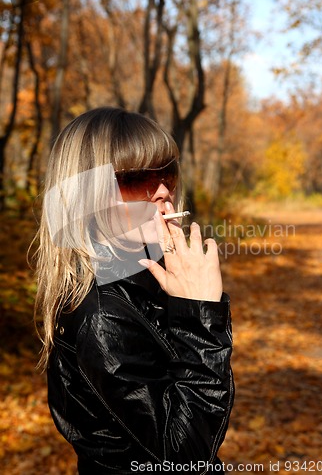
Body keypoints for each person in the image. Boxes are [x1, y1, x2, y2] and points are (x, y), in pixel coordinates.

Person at [33, 107, 234, 474]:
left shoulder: (142, 273)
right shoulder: (102, 314)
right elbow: (184, 458)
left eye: (167, 174)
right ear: (85, 196)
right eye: (136, 179)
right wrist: (202, 315)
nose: (161, 191)